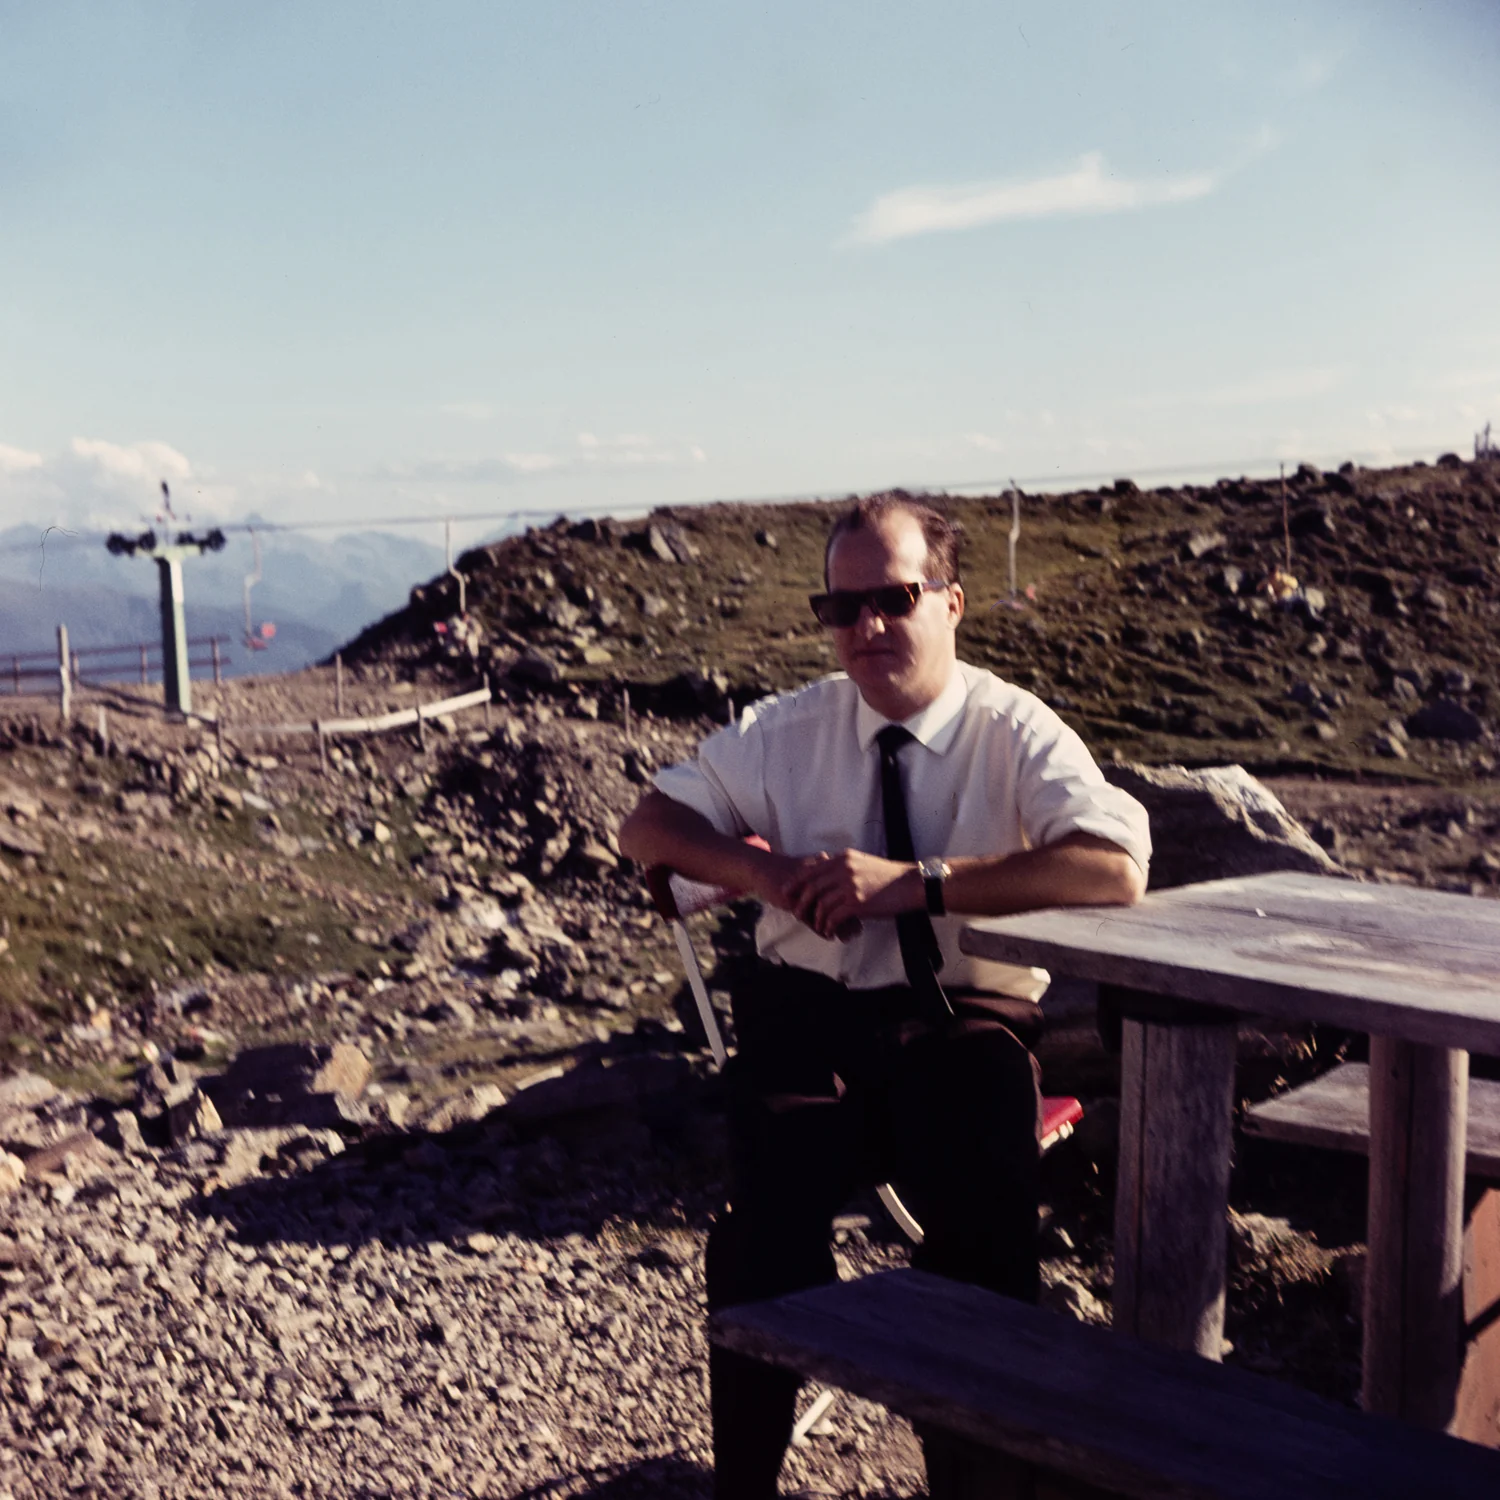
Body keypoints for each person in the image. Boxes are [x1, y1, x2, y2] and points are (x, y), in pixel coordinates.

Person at [618, 492, 1151, 1499]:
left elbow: (1114, 868)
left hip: (964, 1019)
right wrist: (768, 878)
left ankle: (977, 1480)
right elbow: (647, 828)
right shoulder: (787, 729)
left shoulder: (1012, 728)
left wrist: (918, 886)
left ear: (952, 603)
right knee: (760, 1236)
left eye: (893, 599)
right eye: (840, 606)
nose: (863, 628)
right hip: (810, 1017)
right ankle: (747, 1486)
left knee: (984, 1237)